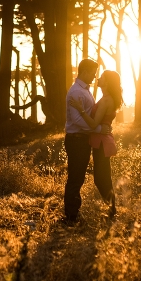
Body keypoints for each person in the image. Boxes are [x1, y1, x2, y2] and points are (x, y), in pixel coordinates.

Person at [63, 59, 112, 222]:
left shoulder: (84, 90)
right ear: (84, 72)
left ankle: (74, 212)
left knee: (79, 177)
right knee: (76, 178)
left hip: (83, 140)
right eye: (92, 73)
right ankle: (71, 216)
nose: (94, 76)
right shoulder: (76, 92)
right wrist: (98, 129)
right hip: (76, 140)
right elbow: (77, 120)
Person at [69, 69, 122, 218]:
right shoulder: (105, 98)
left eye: (102, 77)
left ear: (108, 82)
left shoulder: (106, 100)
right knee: (103, 177)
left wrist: (80, 109)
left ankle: (112, 211)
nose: (99, 78)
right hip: (101, 141)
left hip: (103, 142)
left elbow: (93, 124)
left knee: (101, 178)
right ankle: (112, 210)